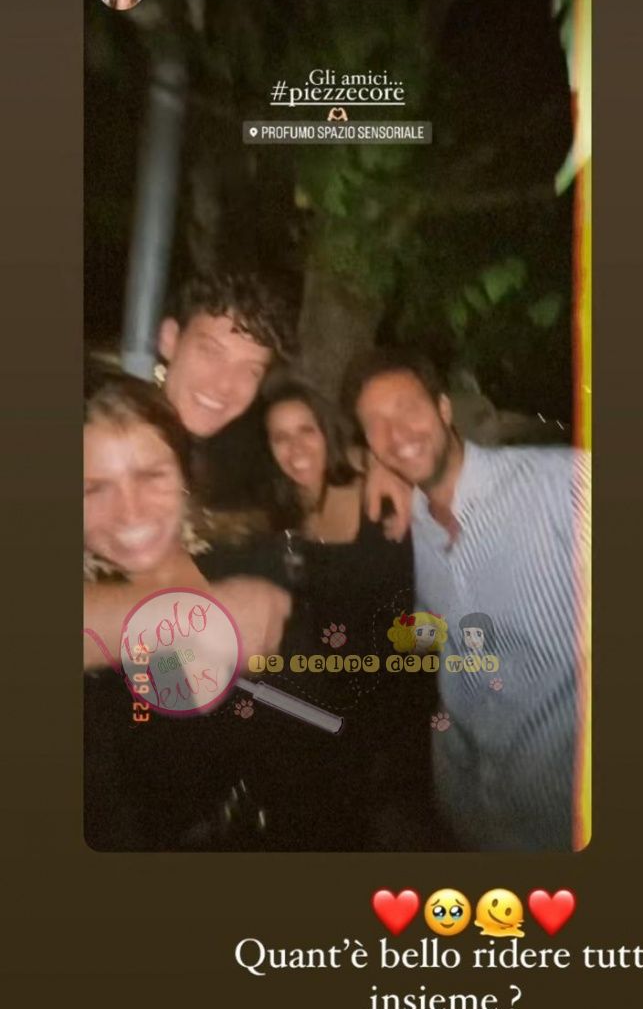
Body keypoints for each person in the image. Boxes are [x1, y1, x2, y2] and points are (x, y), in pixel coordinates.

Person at [344, 348, 590, 852]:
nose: (397, 433)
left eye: (408, 408)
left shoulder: (559, 485)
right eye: (376, 425)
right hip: (465, 803)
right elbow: (435, 633)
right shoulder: (404, 524)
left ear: (444, 409)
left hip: (562, 815)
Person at [83, 366, 291, 849]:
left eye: (151, 475)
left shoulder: (239, 555)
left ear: (184, 476)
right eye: (92, 488)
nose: (130, 512)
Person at [258, 376, 438, 850]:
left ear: (328, 431)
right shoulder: (284, 512)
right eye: (280, 437)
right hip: (334, 693)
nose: (295, 448)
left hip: (401, 690)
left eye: (307, 430)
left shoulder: (377, 491)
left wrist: (378, 461)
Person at [155, 269, 413, 536]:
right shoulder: (127, 429)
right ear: (169, 339)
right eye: (211, 352)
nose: (224, 385)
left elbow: (320, 456)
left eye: (250, 370)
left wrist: (377, 463)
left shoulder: (236, 447)